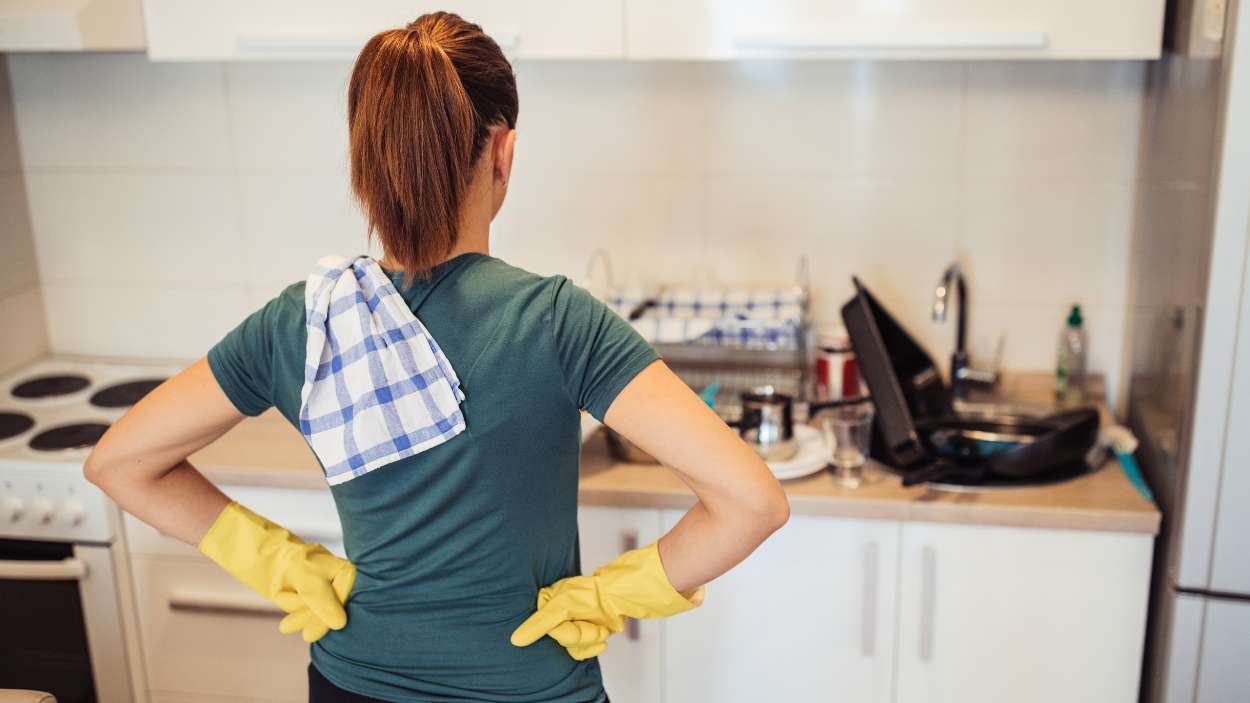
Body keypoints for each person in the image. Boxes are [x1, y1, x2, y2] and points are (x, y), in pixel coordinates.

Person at [84, 11, 789, 703]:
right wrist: (613, 594)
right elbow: (749, 501)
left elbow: (118, 461)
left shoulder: (306, 320)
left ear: (368, 159)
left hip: (350, 682)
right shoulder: (556, 321)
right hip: (529, 685)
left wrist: (273, 559)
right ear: (502, 152)